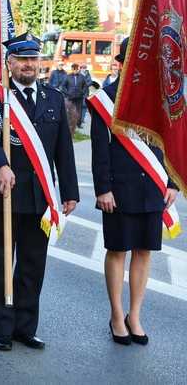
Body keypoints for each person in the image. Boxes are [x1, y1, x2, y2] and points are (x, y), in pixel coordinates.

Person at [0, 32, 79, 351]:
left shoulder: (52, 97)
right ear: (10, 63)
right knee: (0, 264)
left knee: (33, 265)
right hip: (3, 194)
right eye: (21, 60)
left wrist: (69, 191)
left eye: (33, 59)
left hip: (38, 197)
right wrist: (1, 165)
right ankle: (2, 328)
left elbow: (63, 148)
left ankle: (24, 327)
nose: (28, 65)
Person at [88, 38, 178, 346]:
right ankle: (116, 315)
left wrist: (173, 182)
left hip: (153, 187)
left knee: (144, 251)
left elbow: (173, 143)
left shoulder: (161, 100)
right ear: (122, 63)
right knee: (118, 251)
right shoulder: (105, 99)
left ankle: (135, 315)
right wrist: (103, 189)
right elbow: (100, 150)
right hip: (120, 189)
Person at [60, 63, 89, 133]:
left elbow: (85, 86)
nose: (76, 71)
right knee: (70, 111)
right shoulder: (68, 76)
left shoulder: (82, 77)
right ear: (72, 69)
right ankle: (71, 124)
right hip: (70, 97)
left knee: (79, 111)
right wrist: (67, 93)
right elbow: (63, 86)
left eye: (77, 69)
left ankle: (78, 124)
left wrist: (82, 92)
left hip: (79, 97)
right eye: (74, 69)